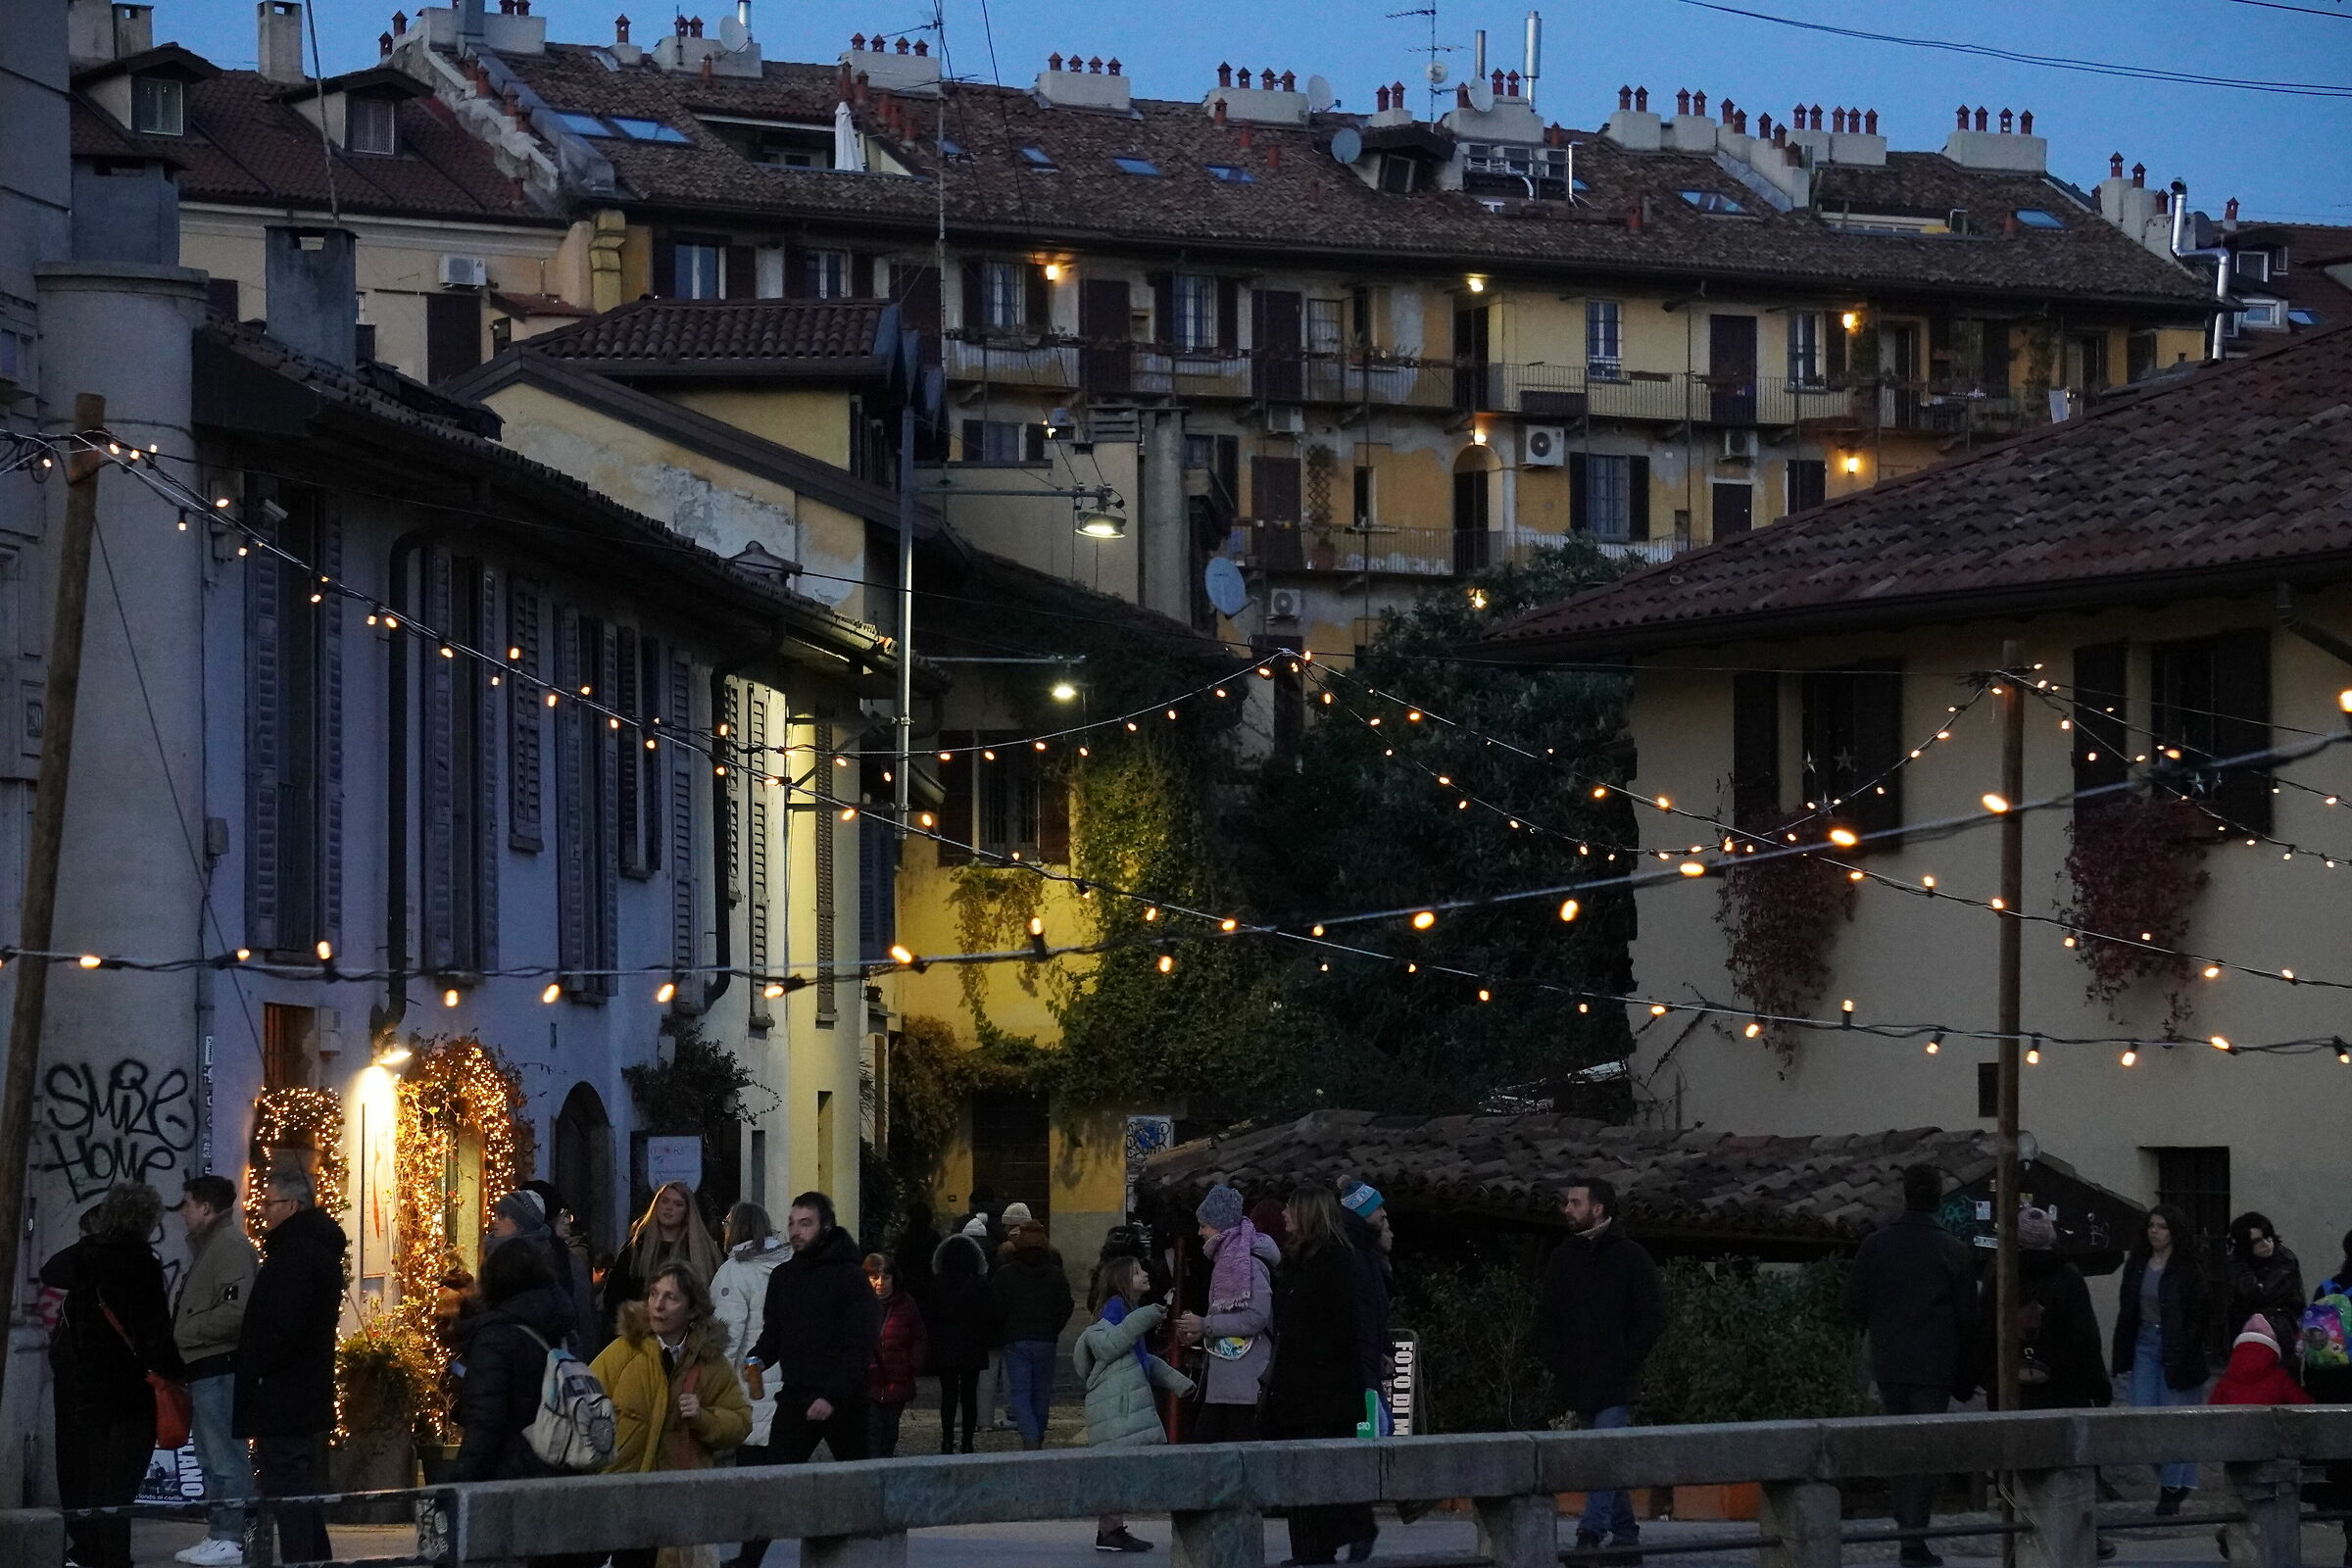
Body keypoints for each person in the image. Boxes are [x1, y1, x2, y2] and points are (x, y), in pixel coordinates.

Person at [1843, 1163, 1977, 1568]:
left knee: (1900, 1447)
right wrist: (1967, 1377)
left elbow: (1851, 1306)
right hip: (1935, 1365)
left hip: (1890, 1361)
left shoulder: (1877, 1245)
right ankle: (1913, 1534)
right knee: (1924, 1452)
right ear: (1938, 1198)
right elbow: (1967, 1319)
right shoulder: (1953, 1250)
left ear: (1905, 1194)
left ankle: (1908, 1524)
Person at [47, 1182, 184, 1568]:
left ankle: (93, 1553)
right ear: (147, 1220)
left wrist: (91, 1244)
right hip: (131, 1392)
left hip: (91, 1392)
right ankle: (113, 1559)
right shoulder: (142, 1263)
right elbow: (152, 1331)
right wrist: (177, 1373)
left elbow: (49, 1271)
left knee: (97, 1483)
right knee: (120, 1488)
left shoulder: (90, 1259)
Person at [590, 1261, 753, 1568]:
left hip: (680, 1500)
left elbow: (741, 1420)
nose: (659, 1305)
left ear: (692, 1310)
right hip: (626, 1497)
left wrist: (703, 1417)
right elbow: (586, 1401)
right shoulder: (624, 1351)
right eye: (654, 1294)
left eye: (671, 1298)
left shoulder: (710, 1363)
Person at [1537, 1176, 1664, 1566]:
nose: (1567, 1210)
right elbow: (1547, 1315)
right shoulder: (1564, 1257)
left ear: (1598, 1208)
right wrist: (1555, 1359)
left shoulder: (1629, 1257)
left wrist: (1626, 1358)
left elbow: (1652, 1315)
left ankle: (1589, 1533)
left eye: (1575, 1202)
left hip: (1615, 1379)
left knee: (1602, 1454)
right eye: (1567, 1202)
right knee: (1606, 1457)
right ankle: (1627, 1538)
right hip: (1579, 1379)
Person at [235, 1165, 347, 1568]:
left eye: (270, 1203)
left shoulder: (297, 1254)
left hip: (284, 1389)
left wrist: (259, 1364)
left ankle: (302, 1559)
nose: (262, 1210)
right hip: (298, 1386)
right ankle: (315, 1557)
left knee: (287, 1484)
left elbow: (285, 1324)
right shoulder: (308, 1249)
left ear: (293, 1205)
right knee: (296, 1485)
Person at [1265, 1184, 1365, 1568]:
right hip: (1296, 1390)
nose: (1285, 1215)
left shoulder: (1337, 1262)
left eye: (1291, 1208)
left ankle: (1318, 1551)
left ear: (1307, 1213)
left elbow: (1343, 1324)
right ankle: (1306, 1550)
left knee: (1318, 1475)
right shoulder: (1295, 1262)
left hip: (1324, 1392)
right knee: (1298, 1474)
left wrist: (1312, 1358)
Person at [745, 1191, 881, 1463]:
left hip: (844, 1400)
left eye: (805, 1223)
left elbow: (859, 1344)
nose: (796, 1231)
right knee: (778, 1474)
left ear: (826, 1226)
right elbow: (775, 1332)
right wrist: (758, 1358)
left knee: (859, 1480)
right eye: (792, 1223)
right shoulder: (784, 1277)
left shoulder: (850, 1276)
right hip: (795, 1395)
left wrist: (833, 1396)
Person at [1077, 1254, 1196, 1553]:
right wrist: (1145, 1317)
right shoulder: (1117, 1308)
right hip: (1117, 1403)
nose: (1145, 1274)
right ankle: (1109, 1531)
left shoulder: (1128, 1308)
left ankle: (1112, 1530)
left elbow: (1140, 1359)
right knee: (1115, 1467)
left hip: (1121, 1402)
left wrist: (1177, 1382)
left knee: (1118, 1466)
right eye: (1137, 1272)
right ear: (1121, 1280)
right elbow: (1110, 1345)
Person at [172, 1174, 259, 1567]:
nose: (183, 1213)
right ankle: (222, 1533)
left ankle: (232, 1536)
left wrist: (186, 1332)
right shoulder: (215, 1246)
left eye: (187, 1205)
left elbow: (237, 1312)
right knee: (211, 1455)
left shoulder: (229, 1246)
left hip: (218, 1365)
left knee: (223, 1455)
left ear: (205, 1207)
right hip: (207, 1365)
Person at [450, 1238, 590, 1482]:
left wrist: (461, 1480)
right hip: (564, 1464)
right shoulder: (562, 1329)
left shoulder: (496, 1338)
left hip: (509, 1472)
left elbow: (486, 1419)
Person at [2112, 1202, 2211, 1515]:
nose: (2154, 1231)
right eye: (2151, 1226)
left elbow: (2200, 1314)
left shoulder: (2187, 1268)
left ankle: (2171, 1489)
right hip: (2144, 1343)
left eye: (2162, 1227)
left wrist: (2188, 1345)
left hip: (2176, 1347)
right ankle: (2174, 1479)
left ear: (2174, 1232)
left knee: (2174, 1418)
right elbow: (2126, 1310)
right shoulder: (2137, 1263)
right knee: (2142, 1416)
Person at [710, 1202, 787, 1568]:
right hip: (782, 1380)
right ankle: (752, 1553)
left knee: (752, 1475)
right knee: (773, 1474)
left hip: (750, 1387)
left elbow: (727, 1336)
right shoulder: (786, 1266)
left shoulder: (734, 1273)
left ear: (735, 1228)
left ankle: (749, 1556)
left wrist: (714, 1388)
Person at [1174, 1184, 1277, 1445]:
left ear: (1220, 1226)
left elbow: (1255, 1317)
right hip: (1227, 1382)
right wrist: (1199, 1331)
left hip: (1243, 1385)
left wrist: (1205, 1324)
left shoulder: (1248, 1263)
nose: (1200, 1232)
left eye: (1204, 1225)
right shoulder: (1227, 1263)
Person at [989, 1215, 1074, 1449]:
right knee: (1042, 1392)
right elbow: (1066, 1306)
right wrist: (1053, 1328)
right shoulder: (1055, 1275)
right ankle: (1037, 1434)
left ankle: (1030, 1437)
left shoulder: (1005, 1274)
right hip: (1045, 1339)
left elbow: (995, 1307)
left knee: (1020, 1392)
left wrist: (1004, 1328)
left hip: (1016, 1338)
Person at [602, 1181, 721, 1336]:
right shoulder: (636, 1248)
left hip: (689, 1338)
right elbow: (614, 1296)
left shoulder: (702, 1252)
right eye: (664, 1201)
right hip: (641, 1337)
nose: (669, 1207)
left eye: (678, 1204)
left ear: (687, 1211)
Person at [490, 1189, 594, 1352]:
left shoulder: (546, 1258)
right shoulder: (490, 1252)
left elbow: (578, 1316)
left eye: (502, 1215)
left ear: (521, 1221)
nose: (495, 1220)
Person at [927, 1230, 996, 1454]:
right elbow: (989, 1316)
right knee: (969, 1396)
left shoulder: (937, 1284)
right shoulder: (979, 1284)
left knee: (948, 1396)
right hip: (972, 1347)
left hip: (944, 1347)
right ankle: (967, 1441)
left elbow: (930, 1316)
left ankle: (947, 1439)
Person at [864, 1253, 929, 1457]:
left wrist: (912, 1365)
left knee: (890, 1430)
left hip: (897, 1376)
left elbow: (920, 1337)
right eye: (875, 1277)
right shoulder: (858, 1304)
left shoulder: (906, 1304)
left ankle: (886, 1468)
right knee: (871, 1430)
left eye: (886, 1277)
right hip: (868, 1379)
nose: (880, 1283)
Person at [2226, 1213, 2306, 1361]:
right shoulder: (2237, 1262)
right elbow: (2249, 1291)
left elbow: (2265, 1294)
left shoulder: (2284, 1259)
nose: (2266, 1243)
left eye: (2268, 1236)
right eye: (2257, 1241)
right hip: (2247, 1334)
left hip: (2282, 1333)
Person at [2211, 1314, 2311, 1407]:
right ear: (2272, 1348)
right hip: (2268, 1425)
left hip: (2233, 1425)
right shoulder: (2280, 1377)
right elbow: (2304, 1404)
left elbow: (2212, 1410)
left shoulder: (2227, 1377)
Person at [894, 1199, 942, 1318]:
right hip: (930, 1284)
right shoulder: (934, 1237)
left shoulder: (907, 1237)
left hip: (910, 1283)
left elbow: (899, 1260)